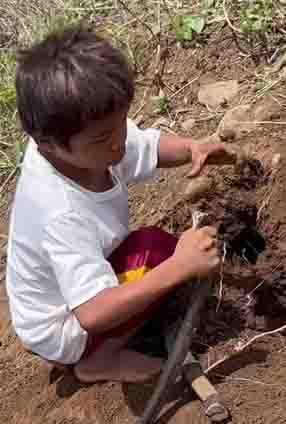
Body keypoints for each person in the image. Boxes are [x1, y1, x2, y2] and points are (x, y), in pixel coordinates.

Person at [6, 25, 237, 384]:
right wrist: (179, 268)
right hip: (64, 329)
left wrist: (194, 147)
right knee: (162, 256)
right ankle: (98, 360)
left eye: (120, 127)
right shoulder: (60, 212)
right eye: (104, 138)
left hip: (76, 295)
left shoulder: (85, 141)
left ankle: (112, 336)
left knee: (153, 246)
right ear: (47, 143)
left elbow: (145, 146)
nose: (119, 144)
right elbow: (93, 314)